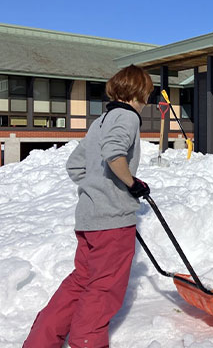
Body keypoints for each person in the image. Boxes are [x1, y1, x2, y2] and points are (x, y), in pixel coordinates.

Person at [23, 65, 154, 348]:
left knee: (81, 281)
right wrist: (129, 185)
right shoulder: (127, 117)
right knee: (103, 288)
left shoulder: (101, 120)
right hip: (112, 221)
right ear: (139, 93)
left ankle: (40, 341)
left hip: (89, 219)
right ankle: (87, 342)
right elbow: (114, 152)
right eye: (147, 96)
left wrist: (98, 187)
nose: (146, 103)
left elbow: (75, 165)